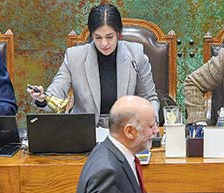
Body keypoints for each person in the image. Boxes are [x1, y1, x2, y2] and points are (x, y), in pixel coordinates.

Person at [27, 3, 159, 127]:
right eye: (98, 37)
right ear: (91, 36)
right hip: (84, 130)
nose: (104, 44)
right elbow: (55, 95)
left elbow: (150, 98)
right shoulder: (74, 56)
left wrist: (151, 123)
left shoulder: (136, 54)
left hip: (126, 129)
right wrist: (42, 99)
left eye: (109, 37)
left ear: (119, 34)